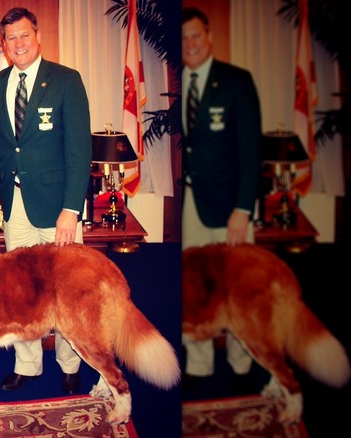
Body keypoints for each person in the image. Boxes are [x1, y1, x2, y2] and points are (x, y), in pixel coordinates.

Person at [0, 7, 92, 395]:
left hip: (56, 209)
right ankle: (27, 365)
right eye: (10, 38)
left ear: (38, 36)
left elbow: (79, 150)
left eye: (24, 36)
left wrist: (72, 209)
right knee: (20, 289)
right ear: (4, 43)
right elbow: (2, 145)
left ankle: (69, 362)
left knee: (65, 289)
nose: (18, 44)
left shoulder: (66, 80)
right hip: (15, 206)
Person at [181, 7, 262, 389]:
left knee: (236, 288)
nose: (190, 44)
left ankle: (242, 362)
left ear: (208, 36)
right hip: (188, 208)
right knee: (195, 286)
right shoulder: (177, 82)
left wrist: (243, 209)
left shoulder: (236, 81)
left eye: (196, 36)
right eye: (183, 38)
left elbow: (250, 151)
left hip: (229, 208)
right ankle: (199, 362)